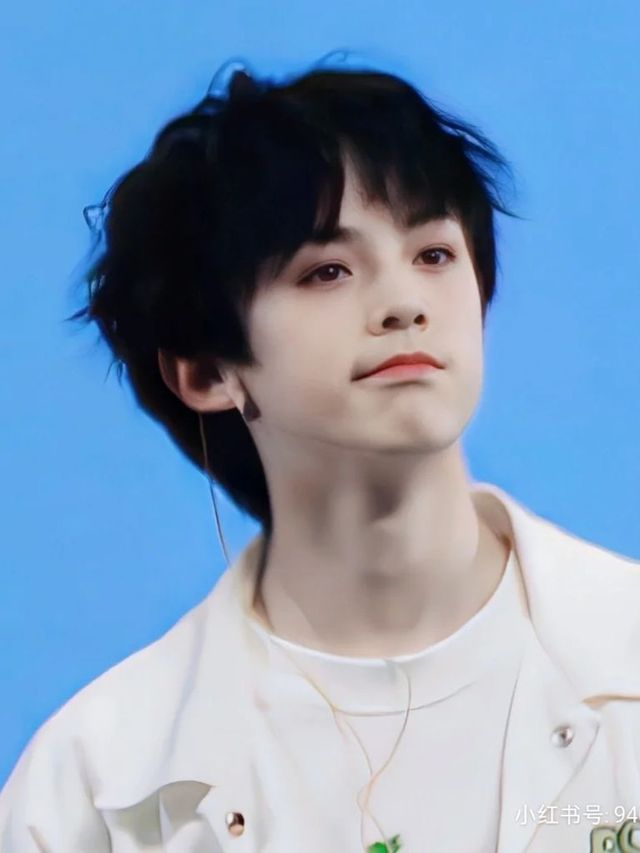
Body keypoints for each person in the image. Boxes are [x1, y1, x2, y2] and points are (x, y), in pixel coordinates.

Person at [1, 56, 639, 853]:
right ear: (207, 371)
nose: (404, 303)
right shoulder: (97, 786)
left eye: (433, 254)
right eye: (327, 271)